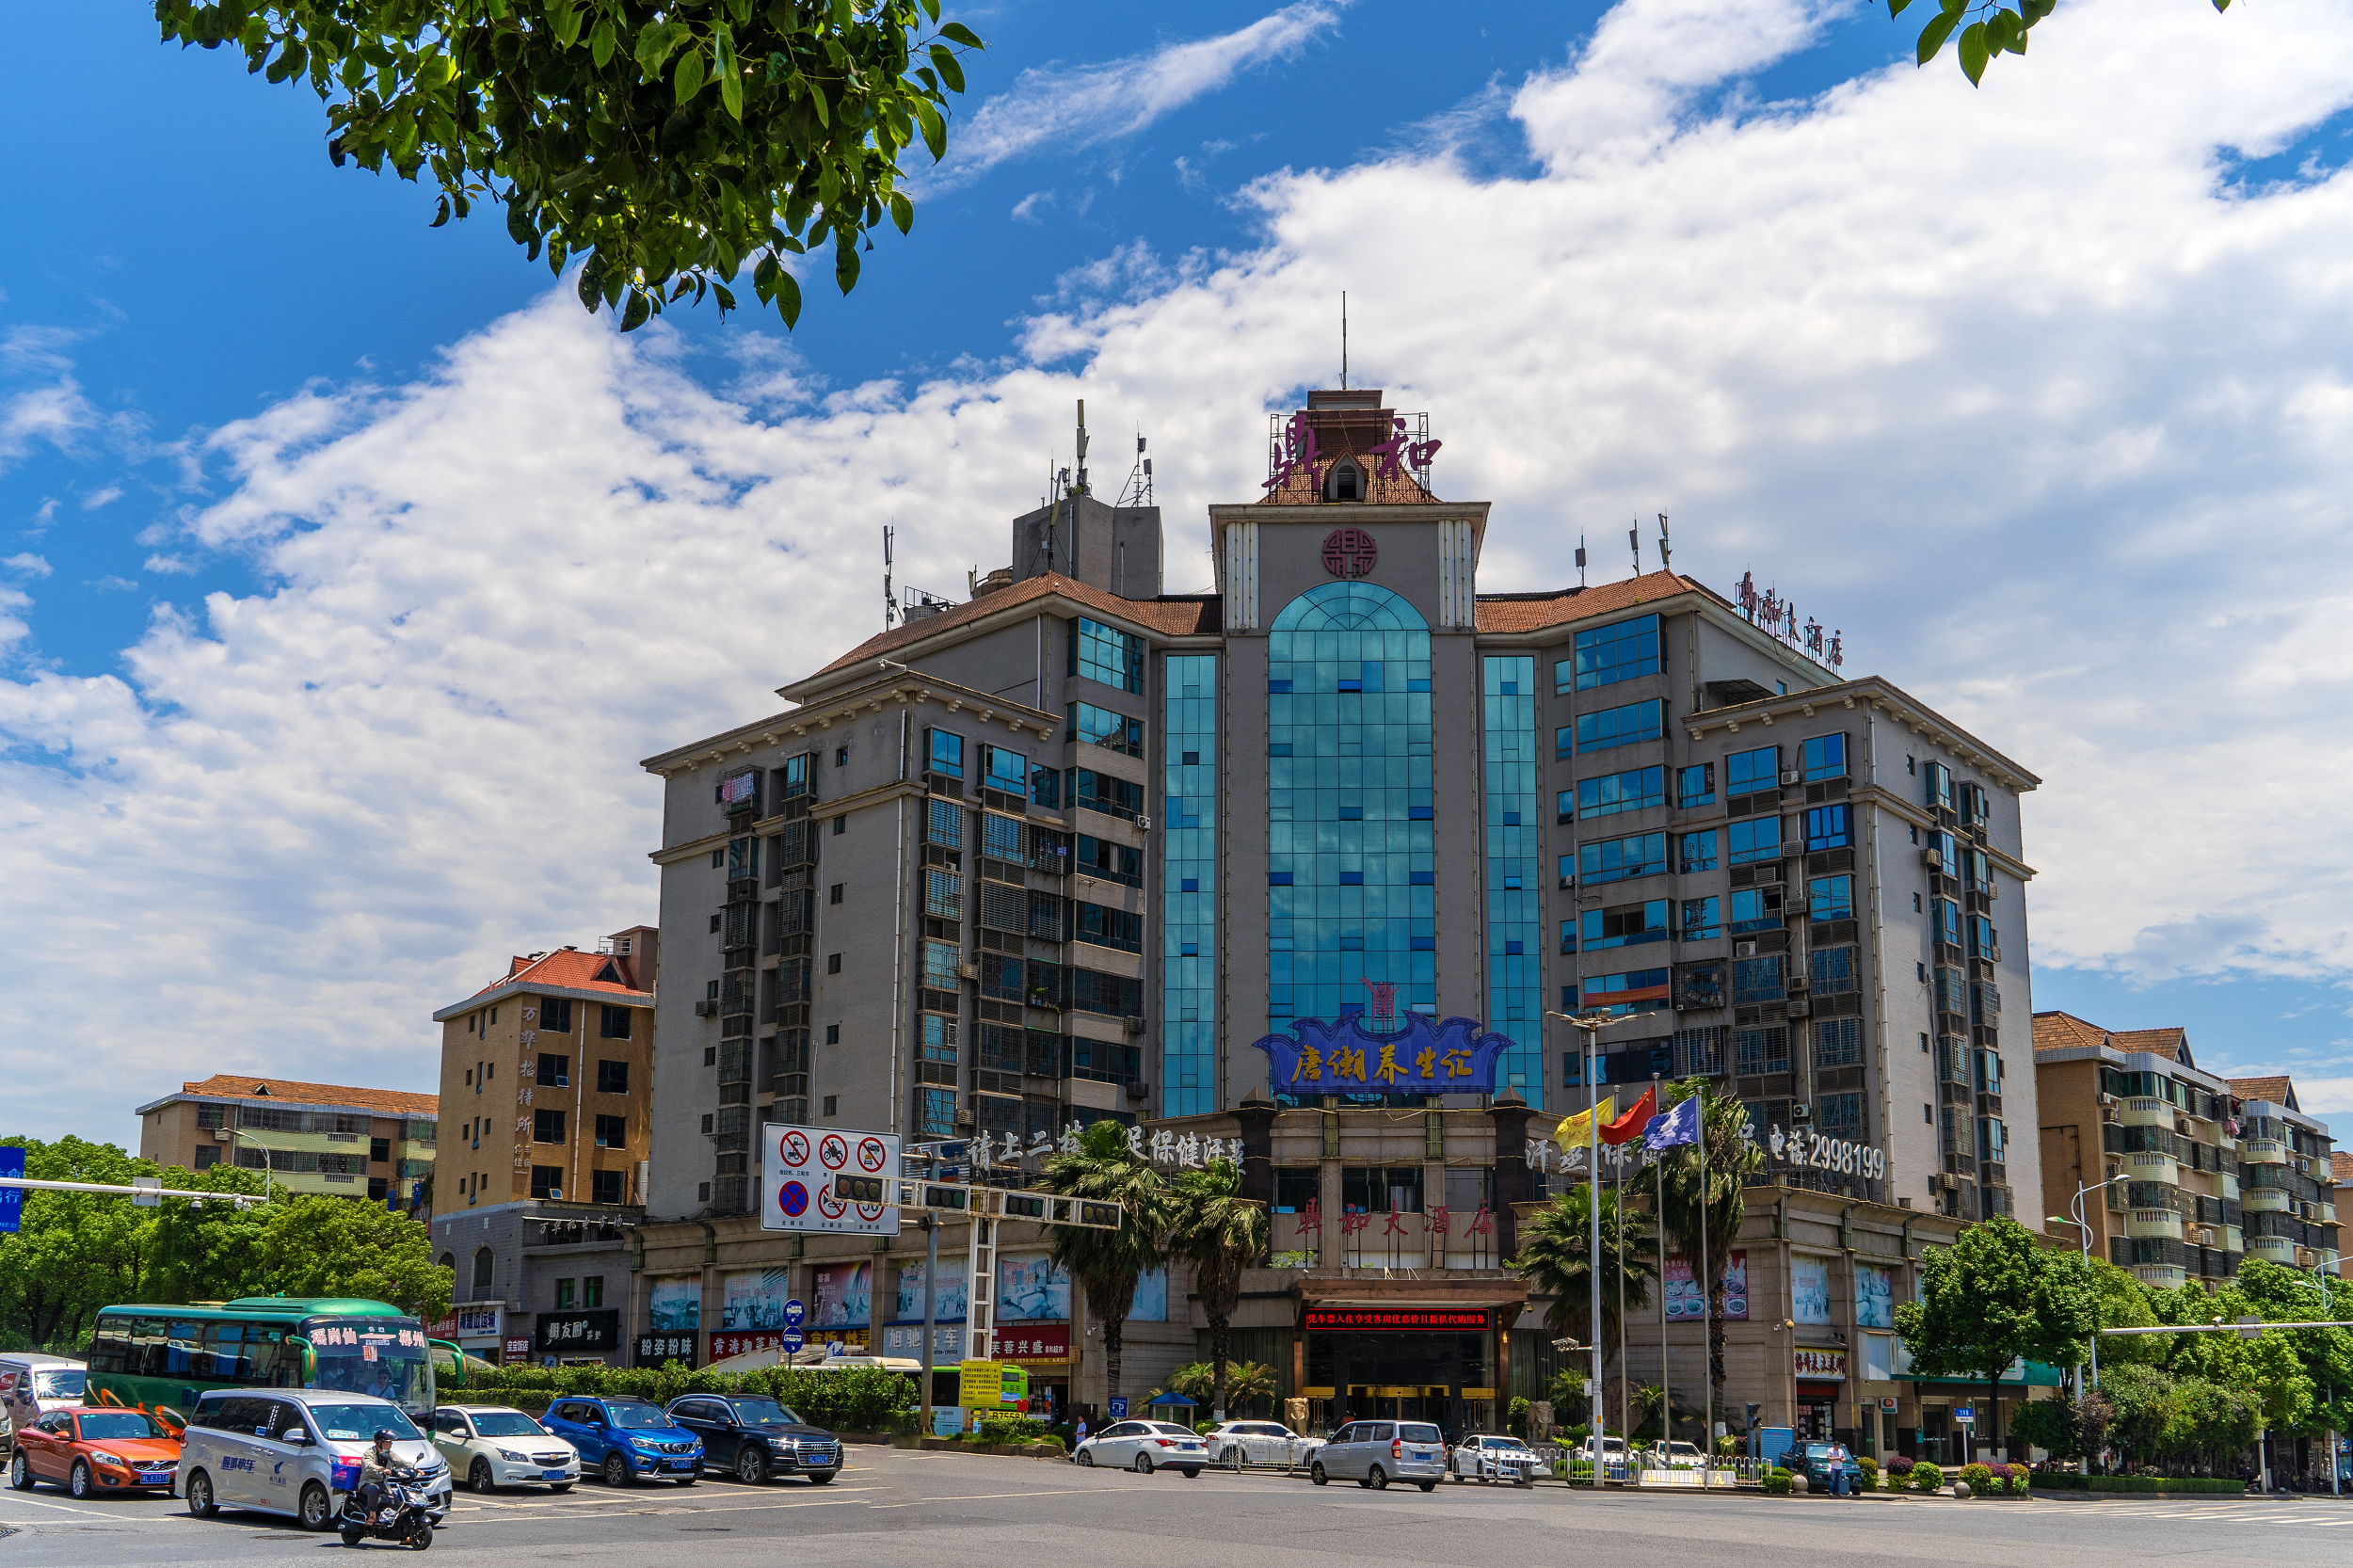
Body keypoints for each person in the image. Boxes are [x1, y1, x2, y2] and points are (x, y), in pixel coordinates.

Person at [356, 1430, 408, 1521]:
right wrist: (381, 1469)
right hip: (368, 1482)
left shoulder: (389, 1454)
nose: (391, 1443)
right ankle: (372, 1516)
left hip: (383, 1483)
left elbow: (401, 1462)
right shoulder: (369, 1453)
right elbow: (368, 1465)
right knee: (373, 1489)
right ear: (380, 1443)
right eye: (388, 1441)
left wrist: (414, 1469)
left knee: (395, 1502)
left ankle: (397, 1522)